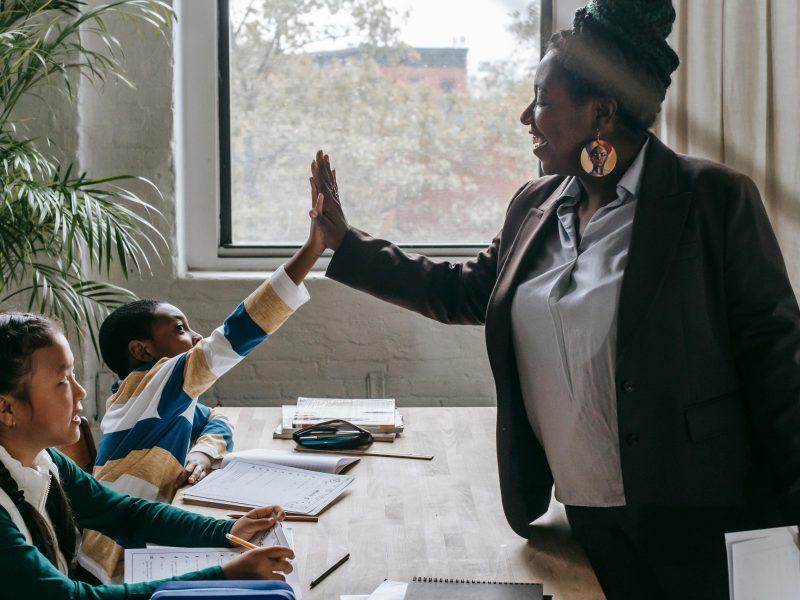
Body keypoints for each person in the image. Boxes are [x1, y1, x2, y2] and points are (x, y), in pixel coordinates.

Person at [307, 1, 800, 598]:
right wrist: (345, 243)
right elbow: (465, 291)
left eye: (542, 100)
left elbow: (778, 363)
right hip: (582, 519)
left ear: (601, 113)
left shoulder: (712, 200)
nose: (526, 116)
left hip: (697, 523)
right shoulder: (534, 206)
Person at [82, 195, 326, 581]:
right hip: (116, 563)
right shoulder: (152, 384)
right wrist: (312, 250)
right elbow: (234, 335)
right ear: (142, 350)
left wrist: (203, 451)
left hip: (140, 542)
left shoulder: (151, 397)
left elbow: (215, 418)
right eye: (179, 329)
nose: (195, 337)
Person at [0, 311, 296, 599]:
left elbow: (126, 515)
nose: (81, 392)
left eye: (74, 375)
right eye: (62, 381)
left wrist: (227, 530)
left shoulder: (46, 460)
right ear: (6, 409)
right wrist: (223, 576)